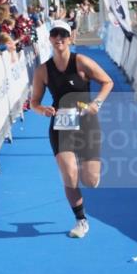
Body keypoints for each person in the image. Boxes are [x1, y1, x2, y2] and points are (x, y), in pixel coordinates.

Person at [29, 20, 113, 239]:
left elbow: (108, 82)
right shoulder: (42, 71)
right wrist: (41, 110)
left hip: (86, 122)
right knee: (69, 173)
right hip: (61, 124)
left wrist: (97, 104)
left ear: (70, 38)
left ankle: (92, 172)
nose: (59, 39)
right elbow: (34, 102)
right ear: (49, 38)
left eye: (63, 35)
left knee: (90, 180)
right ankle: (81, 220)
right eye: (55, 34)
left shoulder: (82, 62)